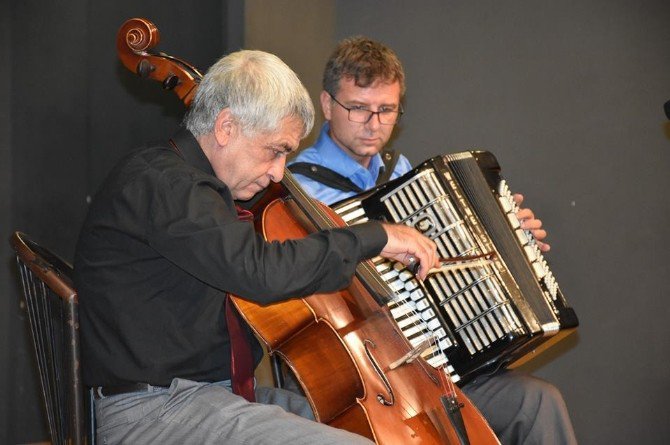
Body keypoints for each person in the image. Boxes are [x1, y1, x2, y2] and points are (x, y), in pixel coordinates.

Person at [73, 49, 441, 444]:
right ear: (226, 127)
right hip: (153, 412)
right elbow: (260, 272)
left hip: (208, 395)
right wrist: (376, 236)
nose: (278, 173)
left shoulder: (198, 189)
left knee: (382, 431)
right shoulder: (165, 185)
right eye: (275, 150)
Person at [289, 36, 577, 445]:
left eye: (386, 110)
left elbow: (441, 262)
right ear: (328, 104)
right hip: (368, 377)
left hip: (435, 365)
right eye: (358, 108)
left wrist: (509, 237)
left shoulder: (400, 172)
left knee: (538, 402)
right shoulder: (299, 187)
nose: (373, 124)